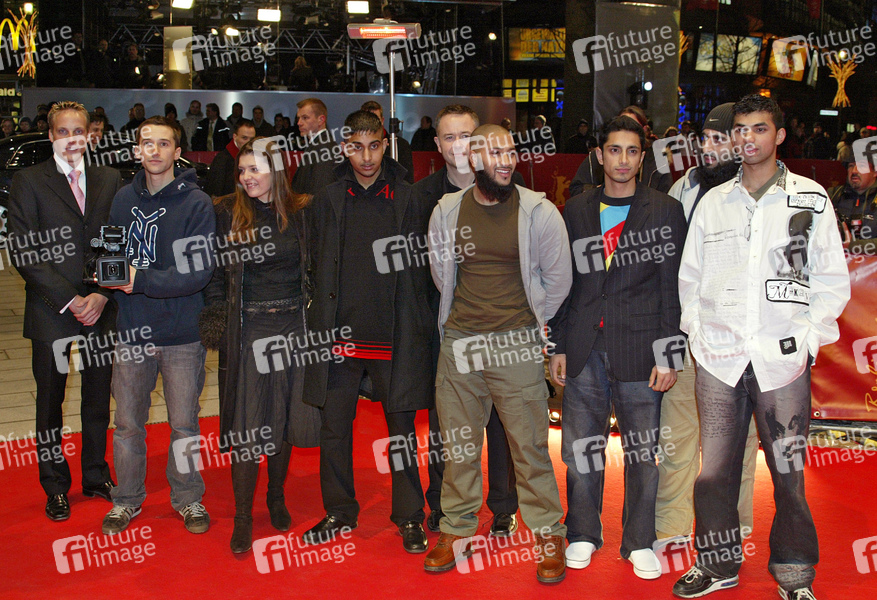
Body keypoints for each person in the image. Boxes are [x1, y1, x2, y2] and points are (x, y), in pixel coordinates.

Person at [672, 95, 850, 600]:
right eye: (740, 129)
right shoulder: (713, 202)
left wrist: (808, 340)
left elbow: (831, 281)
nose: (747, 138)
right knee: (713, 472)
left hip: (782, 359)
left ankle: (794, 573)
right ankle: (717, 564)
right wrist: (698, 335)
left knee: (789, 473)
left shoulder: (811, 199)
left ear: (780, 135)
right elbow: (690, 278)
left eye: (759, 128)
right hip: (719, 358)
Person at [424, 124, 571, 584]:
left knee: (529, 448)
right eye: (495, 153)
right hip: (460, 344)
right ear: (473, 159)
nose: (506, 162)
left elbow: (558, 281)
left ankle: (548, 533)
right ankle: (456, 528)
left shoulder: (539, 212)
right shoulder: (447, 211)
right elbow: (442, 275)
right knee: (459, 447)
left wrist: (524, 324)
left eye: (511, 152)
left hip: (516, 345)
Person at [547, 115, 687, 580]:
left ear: (642, 158)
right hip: (584, 347)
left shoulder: (664, 210)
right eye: (614, 150)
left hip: (642, 352)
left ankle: (639, 540)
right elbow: (564, 284)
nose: (622, 160)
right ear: (599, 155)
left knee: (642, 453)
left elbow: (674, 290)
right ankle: (583, 533)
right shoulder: (576, 209)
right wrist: (558, 344)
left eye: (631, 151)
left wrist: (670, 354)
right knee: (580, 449)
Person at [301, 110, 434, 554]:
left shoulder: (410, 198)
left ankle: (410, 516)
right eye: (356, 147)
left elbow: (422, 270)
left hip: (394, 336)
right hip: (340, 337)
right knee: (334, 431)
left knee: (401, 434)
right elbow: (316, 261)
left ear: (385, 145)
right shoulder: (328, 198)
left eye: (374, 146)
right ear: (344, 148)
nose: (366, 156)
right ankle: (339, 510)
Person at [201, 137, 321, 553]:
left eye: (255, 169)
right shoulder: (226, 212)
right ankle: (242, 515)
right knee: (249, 423)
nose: (246, 177)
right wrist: (218, 317)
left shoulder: (302, 211)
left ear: (277, 170)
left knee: (285, 417)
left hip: (294, 327)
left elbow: (316, 269)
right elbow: (215, 275)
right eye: (242, 170)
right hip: (250, 329)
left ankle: (275, 496)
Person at [6, 101, 121, 521]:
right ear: (51, 135)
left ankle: (95, 475)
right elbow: (23, 249)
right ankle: (55, 485)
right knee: (50, 401)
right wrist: (70, 299)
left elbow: (117, 239)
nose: (72, 138)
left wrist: (102, 293)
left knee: (97, 398)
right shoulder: (29, 180)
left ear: (90, 135)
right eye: (63, 131)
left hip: (100, 307)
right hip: (51, 308)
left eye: (79, 130)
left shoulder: (109, 179)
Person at [101, 116, 216, 536]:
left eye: (164, 144)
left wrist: (139, 281)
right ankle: (126, 499)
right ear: (137, 150)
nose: (155, 150)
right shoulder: (121, 199)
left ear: (177, 152)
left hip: (182, 334)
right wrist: (107, 278)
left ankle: (187, 497)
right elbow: (111, 256)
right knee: (127, 424)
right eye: (147, 143)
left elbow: (197, 272)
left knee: (184, 424)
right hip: (133, 331)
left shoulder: (197, 203)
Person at [413, 105, 523, 536]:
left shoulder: (512, 189)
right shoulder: (423, 197)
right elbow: (426, 272)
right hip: (445, 327)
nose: (459, 145)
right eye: (450, 137)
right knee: (448, 425)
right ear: (437, 145)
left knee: (502, 422)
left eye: (466, 136)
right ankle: (444, 504)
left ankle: (504, 505)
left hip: (504, 327)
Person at [657, 103, 759, 543]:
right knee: (676, 438)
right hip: (686, 334)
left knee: (737, 444)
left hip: (738, 342)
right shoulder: (683, 187)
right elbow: (669, 267)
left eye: (720, 138)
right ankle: (672, 528)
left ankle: (733, 528)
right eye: (705, 138)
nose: (709, 147)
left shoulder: (758, 192)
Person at [570, 105, 672, 196]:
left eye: (633, 127)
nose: (626, 131)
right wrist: (601, 192)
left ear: (644, 130)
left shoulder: (658, 160)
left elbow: (666, 197)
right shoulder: (598, 156)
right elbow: (577, 189)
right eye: (620, 126)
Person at [291, 98, 338, 195]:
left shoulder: (325, 148)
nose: (299, 123)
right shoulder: (318, 144)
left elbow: (320, 194)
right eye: (298, 118)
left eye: (305, 118)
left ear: (321, 120)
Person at [361, 100, 414, 183]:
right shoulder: (354, 147)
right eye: (367, 120)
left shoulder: (400, 145)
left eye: (375, 120)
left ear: (382, 121)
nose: (371, 125)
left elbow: (408, 180)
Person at [206, 118, 256, 198]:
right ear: (235, 137)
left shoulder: (256, 158)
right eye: (244, 138)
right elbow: (215, 193)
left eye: (252, 139)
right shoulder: (222, 160)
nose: (249, 143)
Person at [828, 160, 877, 241]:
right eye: (851, 166)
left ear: (875, 172)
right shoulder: (834, 195)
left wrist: (854, 245)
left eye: (861, 166)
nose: (854, 171)